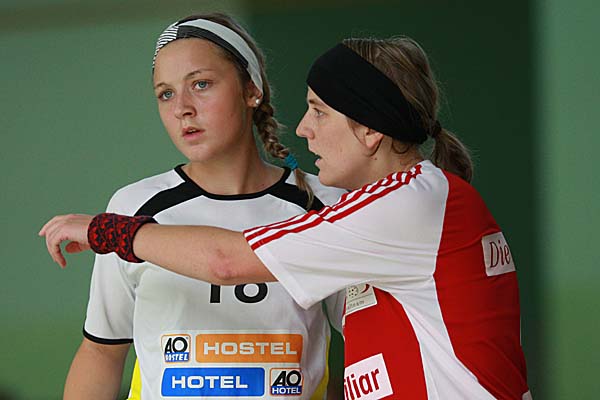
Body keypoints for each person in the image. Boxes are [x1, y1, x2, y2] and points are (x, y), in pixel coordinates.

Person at [41, 36, 532, 399]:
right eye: (165, 93)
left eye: (319, 111)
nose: (303, 129)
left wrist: (107, 230)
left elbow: (225, 261)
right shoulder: (406, 202)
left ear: (368, 130)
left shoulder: (398, 205)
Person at [44, 13, 347, 400]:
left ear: (252, 89)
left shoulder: (325, 204)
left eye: (201, 84)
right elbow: (102, 351)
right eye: (165, 94)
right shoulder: (132, 207)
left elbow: (373, 342)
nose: (182, 108)